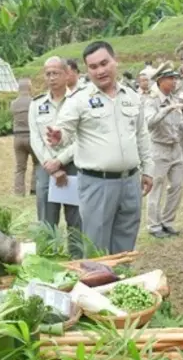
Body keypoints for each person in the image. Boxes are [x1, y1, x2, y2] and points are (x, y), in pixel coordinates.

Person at [46, 40, 153, 255]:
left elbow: (141, 134)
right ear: (87, 70)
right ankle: (98, 286)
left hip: (130, 181)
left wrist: (148, 169)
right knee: (96, 246)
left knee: (126, 240)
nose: (100, 71)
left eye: (104, 63)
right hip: (97, 184)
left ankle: (121, 281)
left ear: (115, 61)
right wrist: (59, 136)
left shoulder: (131, 97)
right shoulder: (79, 100)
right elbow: (65, 129)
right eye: (93, 67)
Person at [29, 57, 82, 257]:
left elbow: (81, 137)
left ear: (67, 74)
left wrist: (60, 161)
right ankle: (48, 259)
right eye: (48, 74)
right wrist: (49, 163)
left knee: (76, 220)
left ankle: (77, 260)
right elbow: (35, 137)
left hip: (73, 166)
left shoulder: (78, 101)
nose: (52, 78)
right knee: (46, 219)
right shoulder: (37, 104)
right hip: (46, 169)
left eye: (56, 73)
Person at [145, 62, 183, 239]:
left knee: (177, 185)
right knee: (156, 187)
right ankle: (154, 225)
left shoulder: (173, 98)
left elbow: (178, 122)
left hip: (175, 148)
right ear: (160, 80)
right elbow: (149, 122)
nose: (174, 82)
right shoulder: (151, 100)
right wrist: (165, 110)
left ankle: (168, 221)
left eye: (175, 78)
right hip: (159, 148)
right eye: (171, 78)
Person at [10, 79, 39, 196]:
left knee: (20, 167)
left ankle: (19, 192)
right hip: (31, 136)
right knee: (37, 163)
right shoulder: (34, 102)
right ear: (29, 88)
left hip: (18, 137)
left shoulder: (13, 103)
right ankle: (34, 189)